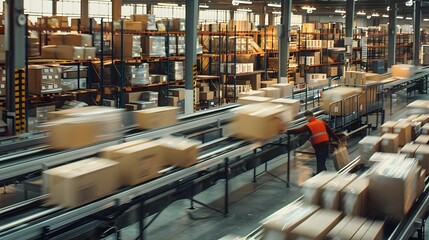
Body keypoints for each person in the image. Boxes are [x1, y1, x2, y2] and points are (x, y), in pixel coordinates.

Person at [286, 110, 341, 174]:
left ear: (309, 116)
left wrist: (287, 132)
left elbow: (299, 130)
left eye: (306, 117)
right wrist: (337, 140)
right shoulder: (321, 122)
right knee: (321, 161)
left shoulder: (309, 125)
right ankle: (322, 173)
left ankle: (319, 176)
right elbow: (330, 132)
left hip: (319, 146)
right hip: (326, 144)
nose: (306, 119)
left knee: (320, 162)